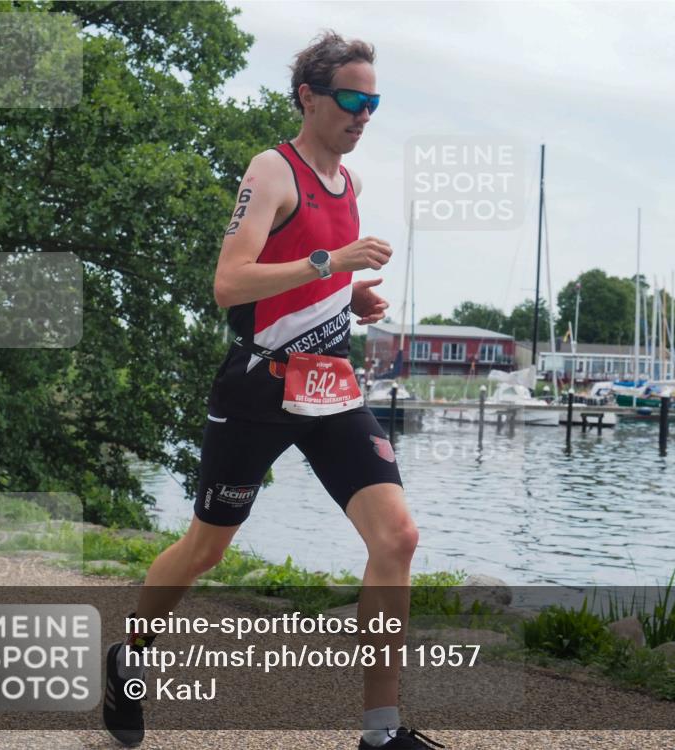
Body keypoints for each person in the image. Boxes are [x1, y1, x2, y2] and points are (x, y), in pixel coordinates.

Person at [102, 30, 443, 750]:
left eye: (374, 102)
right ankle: (128, 658)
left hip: (330, 385)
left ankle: (380, 733)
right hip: (258, 386)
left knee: (399, 536)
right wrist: (333, 261)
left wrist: (351, 299)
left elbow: (309, 282)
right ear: (309, 97)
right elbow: (230, 284)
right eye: (352, 98)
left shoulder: (350, 185)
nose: (364, 114)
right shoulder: (272, 170)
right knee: (205, 549)